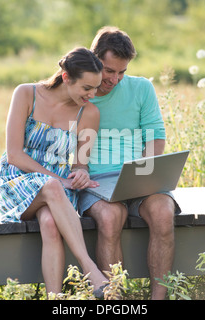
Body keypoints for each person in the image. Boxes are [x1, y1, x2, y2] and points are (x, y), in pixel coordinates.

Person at [0, 47, 107, 297]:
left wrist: (81, 175)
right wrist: (59, 181)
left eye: (96, 88)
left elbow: (79, 163)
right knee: (52, 188)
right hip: (16, 180)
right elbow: (14, 154)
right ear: (66, 77)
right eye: (86, 88)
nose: (92, 94)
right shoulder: (26, 94)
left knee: (49, 222)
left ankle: (55, 299)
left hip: (57, 190)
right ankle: (90, 269)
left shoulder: (89, 113)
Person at [77, 27, 181, 300]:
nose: (115, 79)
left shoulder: (142, 88)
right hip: (97, 181)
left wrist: (147, 172)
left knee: (163, 212)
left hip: (138, 175)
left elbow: (155, 135)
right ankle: (115, 300)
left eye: (121, 72)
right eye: (109, 71)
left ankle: (158, 298)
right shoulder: (80, 93)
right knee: (111, 218)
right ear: (94, 58)